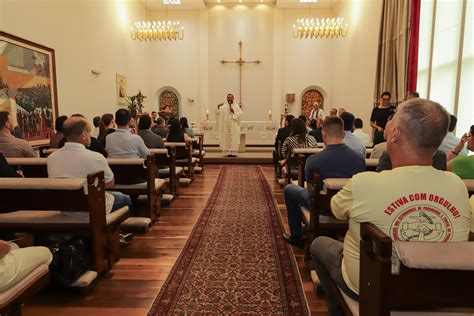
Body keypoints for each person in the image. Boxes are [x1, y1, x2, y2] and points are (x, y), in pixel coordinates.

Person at [310, 99, 472, 316]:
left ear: (395, 133)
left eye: (391, 118)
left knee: (319, 244)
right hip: (439, 291)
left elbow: (337, 210)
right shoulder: (457, 186)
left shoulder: (364, 183)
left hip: (372, 287)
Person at [282, 116, 365, 247]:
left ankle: (296, 236)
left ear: (323, 134)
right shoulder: (359, 159)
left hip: (321, 207)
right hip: (349, 207)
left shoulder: (314, 160)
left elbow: (310, 190)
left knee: (289, 189)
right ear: (343, 135)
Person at [48, 116, 132, 214]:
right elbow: (110, 182)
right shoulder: (95, 157)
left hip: (65, 207)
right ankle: (113, 227)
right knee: (125, 199)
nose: (90, 136)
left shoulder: (51, 158)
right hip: (92, 206)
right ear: (83, 136)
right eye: (89, 132)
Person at [215, 93, 243, 157]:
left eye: (230, 97)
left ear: (233, 98)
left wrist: (234, 112)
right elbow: (218, 114)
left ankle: (233, 153)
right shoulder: (224, 107)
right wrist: (218, 107)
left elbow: (241, 115)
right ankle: (226, 152)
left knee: (234, 138)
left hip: (234, 127)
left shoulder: (236, 106)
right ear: (226, 98)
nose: (229, 99)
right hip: (226, 127)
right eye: (228, 97)